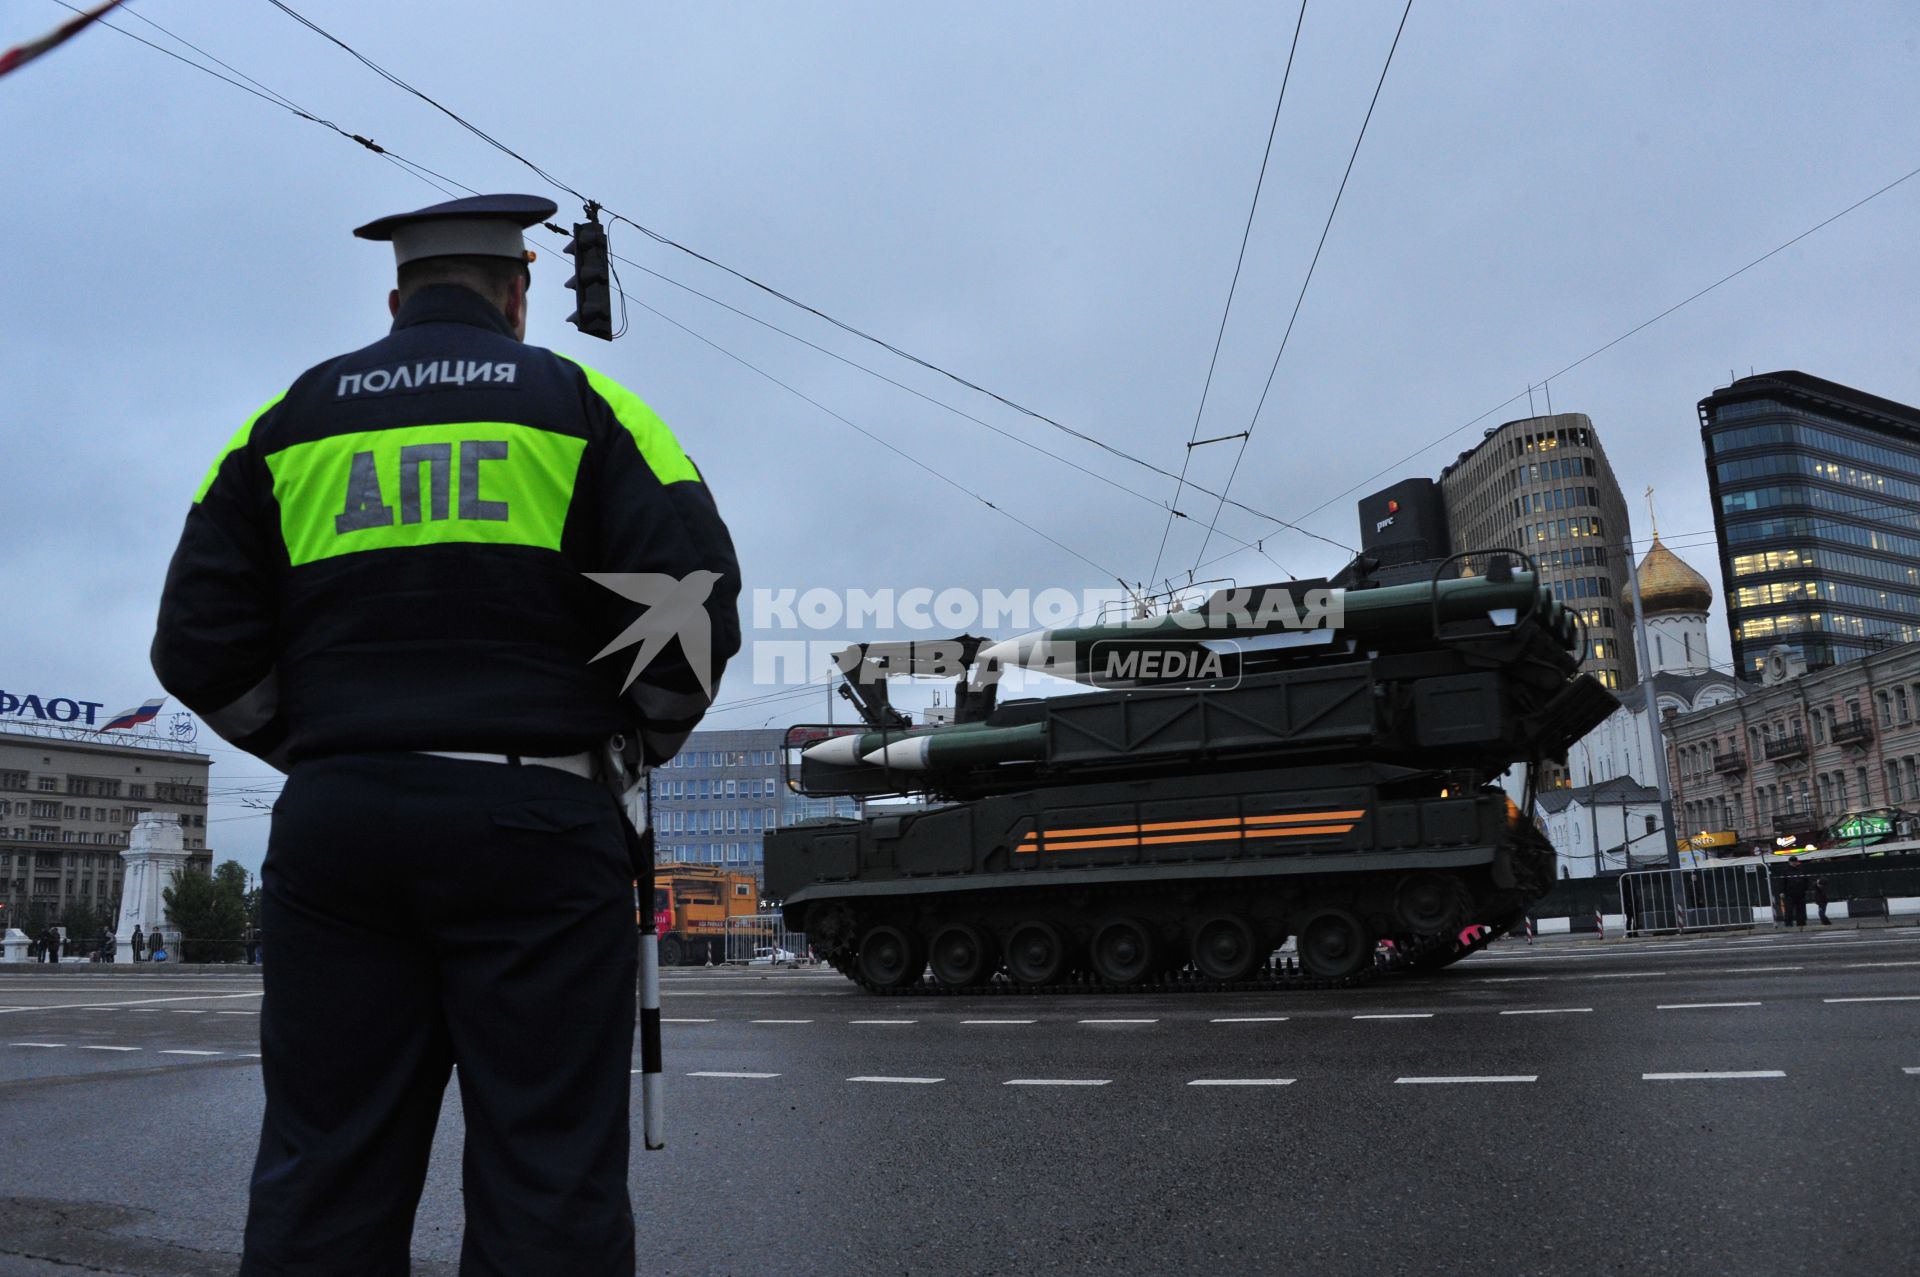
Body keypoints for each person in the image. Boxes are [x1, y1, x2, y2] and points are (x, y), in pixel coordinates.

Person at [152, 193, 740, 1277]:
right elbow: (692, 608)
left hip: (340, 829)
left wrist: (322, 745)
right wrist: (623, 748)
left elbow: (194, 641)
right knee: (546, 1172)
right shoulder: (587, 405)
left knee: (324, 1161)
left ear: (395, 299)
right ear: (519, 294)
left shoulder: (286, 421)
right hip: (534, 819)